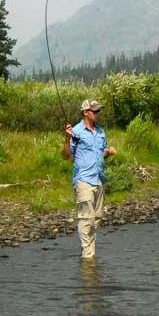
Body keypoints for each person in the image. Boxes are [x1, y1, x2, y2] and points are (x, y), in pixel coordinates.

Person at [63, 99, 117, 259]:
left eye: (98, 110)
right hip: (83, 179)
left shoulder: (100, 132)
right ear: (86, 112)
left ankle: (90, 254)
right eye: (95, 111)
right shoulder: (75, 131)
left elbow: (100, 153)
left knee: (97, 218)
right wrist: (66, 139)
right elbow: (66, 155)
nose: (98, 113)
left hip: (99, 178)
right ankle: (88, 257)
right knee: (86, 218)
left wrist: (108, 152)